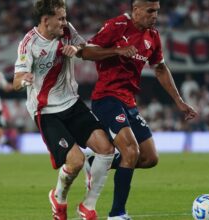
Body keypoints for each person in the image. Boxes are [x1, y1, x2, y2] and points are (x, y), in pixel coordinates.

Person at [81, 0, 198, 219]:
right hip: (106, 98)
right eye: (150, 11)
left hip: (128, 102)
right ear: (136, 10)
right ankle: (117, 214)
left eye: (157, 11)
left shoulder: (152, 36)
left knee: (150, 158)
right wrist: (117, 50)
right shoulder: (117, 26)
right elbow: (85, 52)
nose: (155, 15)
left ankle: (93, 161)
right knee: (131, 152)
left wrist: (179, 101)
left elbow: (161, 69)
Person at [12, 0, 115, 219]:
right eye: (59, 18)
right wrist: (24, 79)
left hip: (72, 102)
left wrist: (76, 48)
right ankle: (59, 198)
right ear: (45, 20)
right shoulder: (28, 44)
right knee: (76, 161)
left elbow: (84, 48)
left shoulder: (67, 30)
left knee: (106, 149)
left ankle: (88, 205)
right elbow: (16, 80)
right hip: (46, 111)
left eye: (64, 17)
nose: (64, 22)